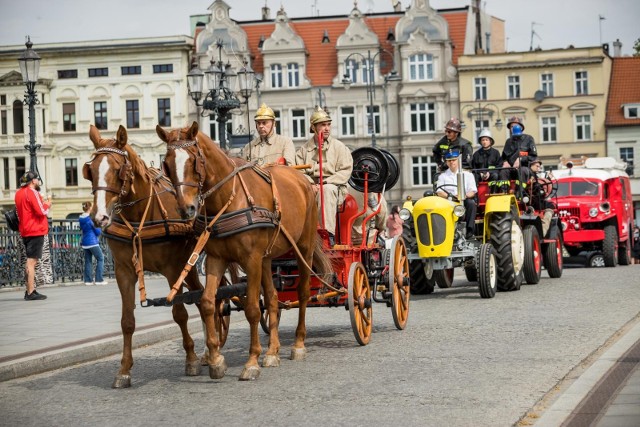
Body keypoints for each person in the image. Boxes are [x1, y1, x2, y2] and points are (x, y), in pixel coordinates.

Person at [296, 106, 353, 246]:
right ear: (314, 127)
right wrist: (310, 183)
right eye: (323, 125)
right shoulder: (303, 150)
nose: (327, 128)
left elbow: (345, 170)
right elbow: (298, 172)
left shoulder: (339, 147)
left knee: (325, 191)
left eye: (328, 124)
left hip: (334, 187)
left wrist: (326, 182)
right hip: (309, 187)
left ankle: (327, 234)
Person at [15, 171, 51, 300]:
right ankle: (30, 292)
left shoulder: (18, 193)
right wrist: (48, 203)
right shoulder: (32, 192)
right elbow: (41, 211)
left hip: (24, 230)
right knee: (31, 262)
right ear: (33, 181)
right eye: (37, 179)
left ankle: (29, 289)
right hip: (35, 230)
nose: (38, 181)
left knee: (29, 261)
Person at [436, 150, 478, 239]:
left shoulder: (468, 175)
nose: (452, 162)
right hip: (448, 201)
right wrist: (449, 196)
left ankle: (469, 231)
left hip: (464, 199)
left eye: (454, 160)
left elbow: (473, 191)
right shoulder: (442, 176)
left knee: (471, 204)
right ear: (446, 162)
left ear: (458, 160)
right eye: (449, 160)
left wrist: (464, 196)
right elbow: (439, 191)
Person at [498, 116, 538, 192]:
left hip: (525, 168)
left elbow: (533, 156)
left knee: (522, 171)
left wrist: (521, 159)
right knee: (503, 172)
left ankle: (519, 194)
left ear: (521, 127)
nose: (513, 128)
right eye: (511, 126)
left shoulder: (528, 139)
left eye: (516, 125)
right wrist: (505, 162)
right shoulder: (508, 141)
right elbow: (503, 157)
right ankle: (504, 193)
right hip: (511, 169)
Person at [79, 201, 107, 286]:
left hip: (85, 242)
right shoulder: (91, 219)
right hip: (93, 242)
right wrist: (100, 227)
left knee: (88, 261)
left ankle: (88, 280)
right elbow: (97, 231)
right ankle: (99, 279)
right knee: (100, 258)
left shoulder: (81, 218)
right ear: (90, 208)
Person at [529, 159, 556, 237]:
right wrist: (548, 180)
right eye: (537, 166)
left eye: (539, 167)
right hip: (534, 201)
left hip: (533, 200)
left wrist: (548, 178)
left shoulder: (532, 175)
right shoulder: (530, 174)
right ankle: (543, 231)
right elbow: (538, 187)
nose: (538, 168)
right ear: (531, 165)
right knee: (551, 206)